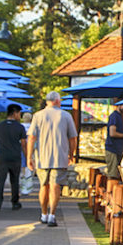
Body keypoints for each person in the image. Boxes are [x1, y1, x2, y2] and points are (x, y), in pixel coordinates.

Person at [27, 91, 78, 227]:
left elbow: (31, 137)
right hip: (60, 157)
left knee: (44, 186)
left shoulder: (37, 116)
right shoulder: (66, 115)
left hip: (42, 158)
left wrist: (29, 157)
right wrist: (71, 154)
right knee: (55, 186)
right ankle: (52, 215)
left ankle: (43, 213)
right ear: (56, 100)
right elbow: (73, 138)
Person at [0, 103, 28, 212]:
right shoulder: (20, 127)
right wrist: (27, 157)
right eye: (19, 114)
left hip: (2, 156)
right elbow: (24, 144)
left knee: (0, 180)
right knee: (14, 180)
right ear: (15, 113)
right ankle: (15, 202)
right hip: (15, 157)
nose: (19, 116)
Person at [104, 103, 123, 180]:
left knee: (116, 174)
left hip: (117, 149)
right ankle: (110, 191)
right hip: (112, 149)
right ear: (119, 104)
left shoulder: (118, 116)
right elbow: (112, 133)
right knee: (113, 175)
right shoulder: (115, 116)